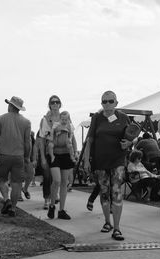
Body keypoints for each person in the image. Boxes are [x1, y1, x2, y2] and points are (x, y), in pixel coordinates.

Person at [83, 90, 131, 241]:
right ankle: (107, 222)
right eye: (104, 101)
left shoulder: (123, 117)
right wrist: (86, 159)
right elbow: (89, 139)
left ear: (116, 102)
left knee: (116, 192)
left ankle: (117, 228)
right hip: (100, 161)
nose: (108, 104)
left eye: (111, 101)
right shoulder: (97, 118)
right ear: (101, 103)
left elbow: (131, 136)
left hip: (117, 160)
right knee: (104, 193)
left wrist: (129, 142)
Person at [0, 96, 31, 217]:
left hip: (3, 154)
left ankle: (6, 199)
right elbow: (27, 142)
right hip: (19, 156)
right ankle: (13, 208)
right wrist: (27, 157)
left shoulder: (0, 119)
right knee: (17, 183)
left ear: (10, 106)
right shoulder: (26, 122)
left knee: (1, 179)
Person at [46, 110, 78, 220]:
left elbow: (73, 140)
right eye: (62, 118)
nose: (64, 120)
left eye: (66, 119)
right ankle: (52, 205)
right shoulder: (55, 125)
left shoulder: (70, 127)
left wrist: (75, 152)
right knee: (57, 180)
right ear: (60, 118)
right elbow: (50, 138)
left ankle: (61, 210)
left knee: (64, 182)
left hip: (66, 155)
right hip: (55, 155)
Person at [38, 95, 62, 209]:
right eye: (53, 102)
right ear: (49, 105)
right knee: (47, 176)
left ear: (60, 104)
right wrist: (42, 157)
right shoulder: (45, 120)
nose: (55, 104)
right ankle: (47, 199)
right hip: (49, 151)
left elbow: (70, 135)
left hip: (62, 152)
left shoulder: (64, 117)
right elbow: (42, 139)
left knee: (58, 178)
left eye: (57, 102)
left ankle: (55, 195)